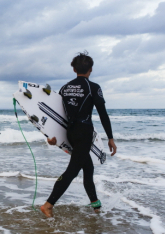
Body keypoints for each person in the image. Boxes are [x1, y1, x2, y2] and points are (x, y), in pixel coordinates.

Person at [40, 52, 117, 218]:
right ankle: (48, 205)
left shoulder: (65, 88)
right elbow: (103, 114)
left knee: (87, 168)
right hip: (84, 133)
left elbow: (57, 116)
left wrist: (51, 137)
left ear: (74, 69)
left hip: (71, 133)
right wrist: (110, 138)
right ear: (91, 69)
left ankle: (96, 207)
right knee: (73, 170)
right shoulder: (93, 87)